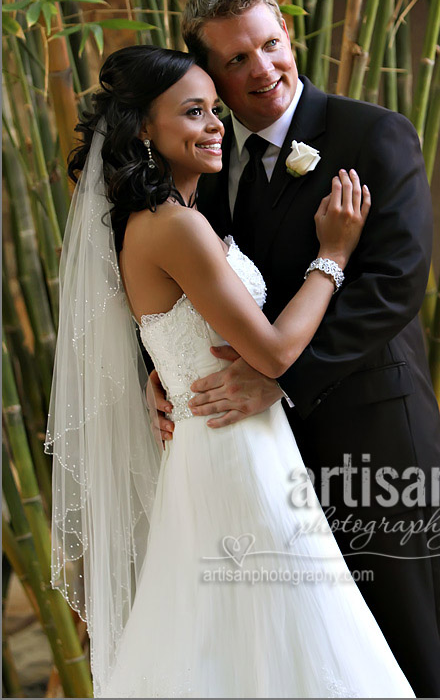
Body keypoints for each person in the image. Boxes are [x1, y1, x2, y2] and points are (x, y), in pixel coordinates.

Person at [46, 44, 416, 698]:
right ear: (143, 130)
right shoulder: (173, 227)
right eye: (193, 112)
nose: (216, 125)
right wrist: (331, 257)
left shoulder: (169, 219)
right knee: (288, 634)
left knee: (247, 645)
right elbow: (272, 354)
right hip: (234, 453)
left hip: (224, 445)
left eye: (215, 110)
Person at [150, 0, 440, 697]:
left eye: (269, 44)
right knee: (321, 656)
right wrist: (163, 369)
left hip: (371, 429)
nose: (262, 69)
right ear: (207, 71)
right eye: (235, 60)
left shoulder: (369, 132)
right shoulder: (208, 156)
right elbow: (203, 286)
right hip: (262, 457)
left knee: (408, 642)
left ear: (288, 33)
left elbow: (393, 283)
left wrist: (280, 378)